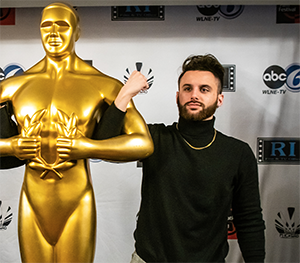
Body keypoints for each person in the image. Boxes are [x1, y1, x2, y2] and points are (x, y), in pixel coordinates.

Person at [0, 2, 153, 263]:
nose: (54, 33)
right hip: (31, 203)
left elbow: (143, 143)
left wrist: (87, 147)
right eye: (46, 26)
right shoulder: (14, 86)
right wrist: (10, 147)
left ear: (77, 32)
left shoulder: (102, 85)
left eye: (63, 25)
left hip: (77, 203)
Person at [93, 54, 266, 263]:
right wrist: (126, 93)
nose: (194, 95)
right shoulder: (153, 139)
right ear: (178, 96)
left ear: (219, 99)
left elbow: (249, 220)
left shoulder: (237, 153)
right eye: (187, 89)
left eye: (204, 89)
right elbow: (102, 144)